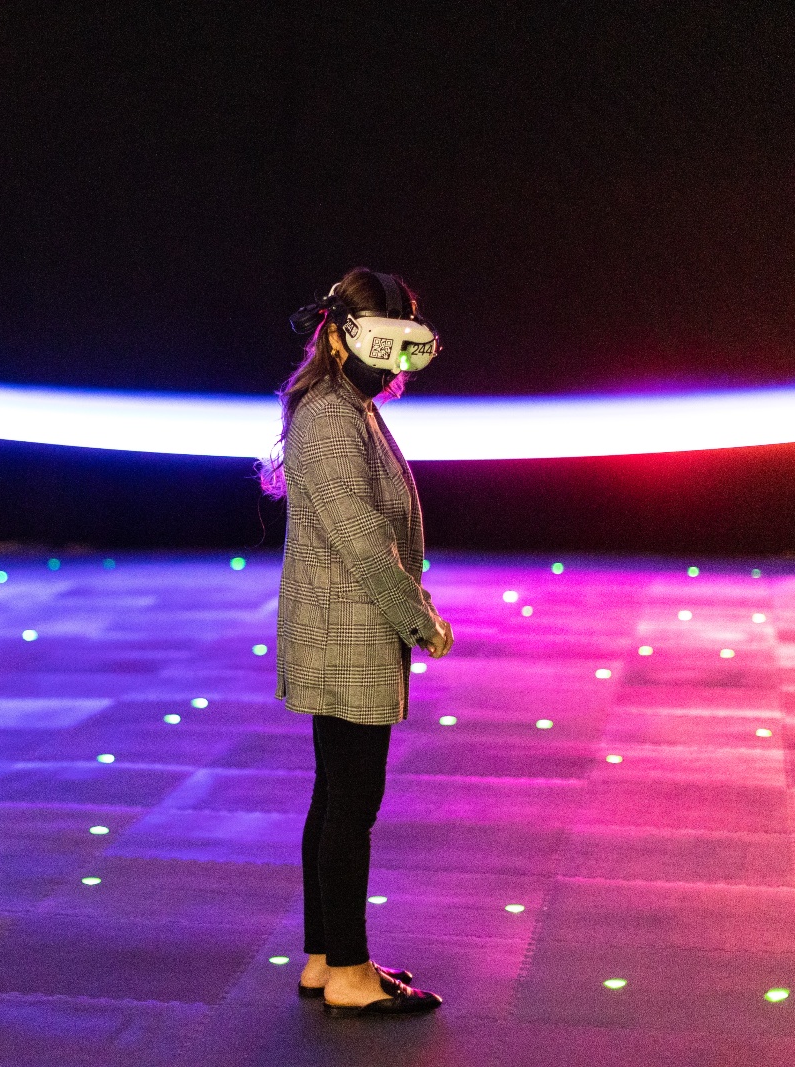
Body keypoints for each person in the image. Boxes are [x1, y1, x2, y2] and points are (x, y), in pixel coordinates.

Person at [265, 268, 454, 1017]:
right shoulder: (329, 416)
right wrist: (422, 619)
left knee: (335, 795)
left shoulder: (346, 406)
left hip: (345, 626)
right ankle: (348, 968)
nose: (396, 367)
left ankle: (326, 955)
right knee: (353, 801)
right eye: (388, 345)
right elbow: (364, 542)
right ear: (343, 336)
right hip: (347, 630)